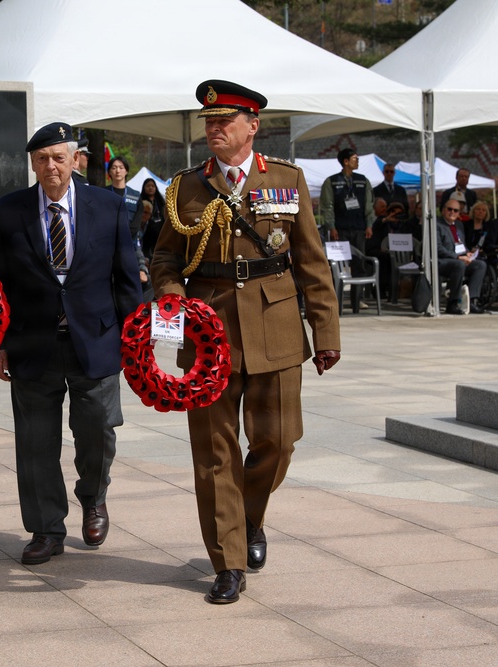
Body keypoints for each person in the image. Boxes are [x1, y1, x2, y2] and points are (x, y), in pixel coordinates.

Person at [150, 80, 341, 603]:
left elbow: (311, 261)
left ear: (252, 126)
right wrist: (172, 299)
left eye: (224, 121)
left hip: (275, 327)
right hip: (208, 332)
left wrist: (325, 331)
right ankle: (228, 561)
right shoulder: (185, 187)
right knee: (215, 453)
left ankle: (249, 515)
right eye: (209, 122)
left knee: (278, 443)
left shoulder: (285, 178)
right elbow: (165, 258)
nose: (214, 129)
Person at [0, 122, 141, 566]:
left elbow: (126, 278)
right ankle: (46, 529)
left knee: (97, 429)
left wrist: (137, 339)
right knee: (35, 441)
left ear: (76, 159)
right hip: (32, 342)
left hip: (95, 339)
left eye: (59, 157)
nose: (50, 166)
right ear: (32, 164)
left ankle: (93, 498)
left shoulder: (108, 206)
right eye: (42, 159)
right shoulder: (9, 210)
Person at [437, 198, 487, 314]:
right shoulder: (437, 224)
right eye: (450, 209)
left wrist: (467, 253)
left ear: (459, 213)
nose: (452, 212)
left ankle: (472, 301)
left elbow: (461, 244)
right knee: (459, 264)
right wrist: (458, 257)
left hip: (459, 259)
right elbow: (438, 248)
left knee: (480, 265)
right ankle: (452, 303)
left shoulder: (459, 225)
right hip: (442, 261)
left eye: (456, 210)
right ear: (443, 210)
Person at [319, 147, 374, 251]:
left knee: (359, 259)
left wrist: (369, 225)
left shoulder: (363, 180)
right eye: (355, 158)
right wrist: (331, 227)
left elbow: (369, 204)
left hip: (359, 228)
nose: (358, 161)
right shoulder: (331, 181)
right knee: (341, 259)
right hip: (340, 229)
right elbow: (327, 206)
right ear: (346, 161)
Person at [132, 177, 166, 254]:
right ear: (144, 188)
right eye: (148, 186)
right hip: (145, 234)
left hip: (160, 234)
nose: (150, 188)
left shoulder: (161, 202)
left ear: (156, 188)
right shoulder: (140, 202)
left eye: (152, 186)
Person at [105, 155, 140, 222]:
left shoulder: (135, 195)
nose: (118, 171)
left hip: (129, 228)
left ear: (126, 171)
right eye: (114, 168)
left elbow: (137, 221)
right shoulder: (103, 193)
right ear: (109, 172)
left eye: (121, 168)